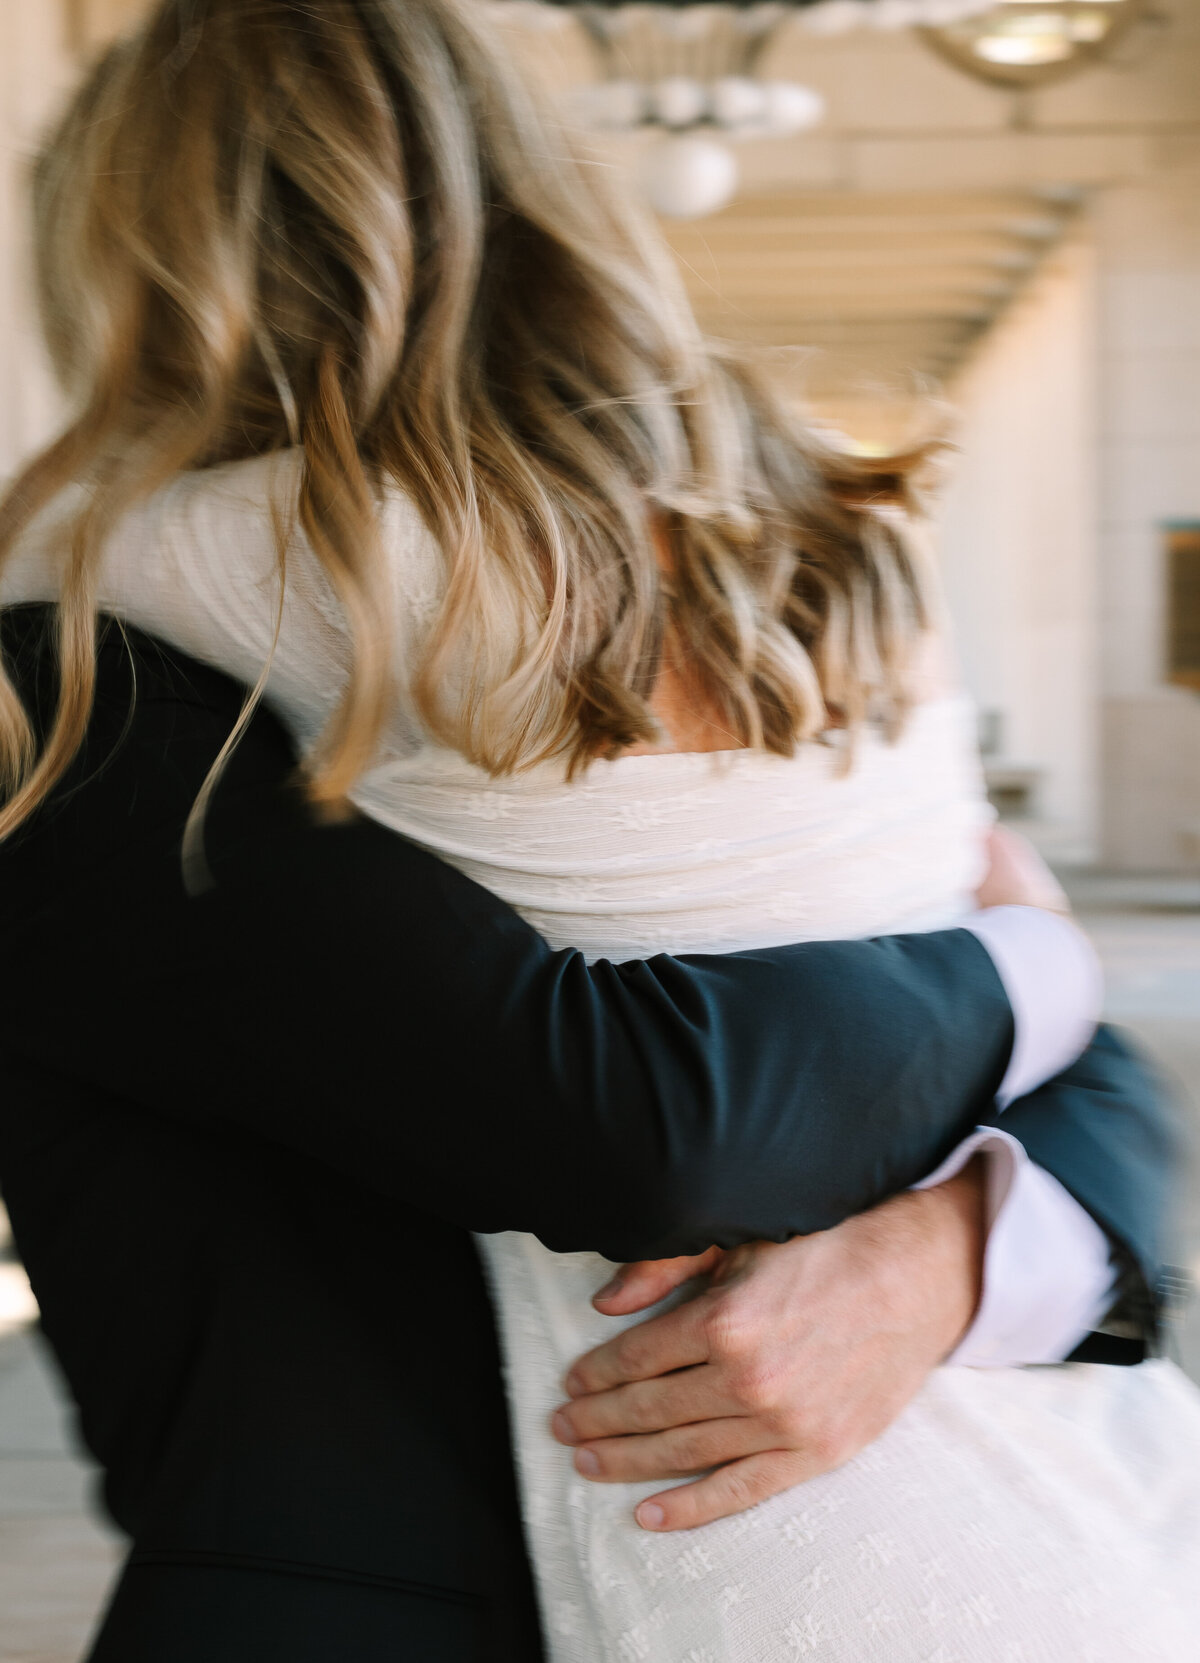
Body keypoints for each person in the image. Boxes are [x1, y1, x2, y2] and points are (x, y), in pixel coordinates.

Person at [0, 1, 1191, 1658]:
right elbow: (663, 1108)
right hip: (1079, 1541)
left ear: (128, 246)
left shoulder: (94, 627)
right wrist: (1038, 962)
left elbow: (691, 1120)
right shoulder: (808, 560)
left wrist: (960, 1252)